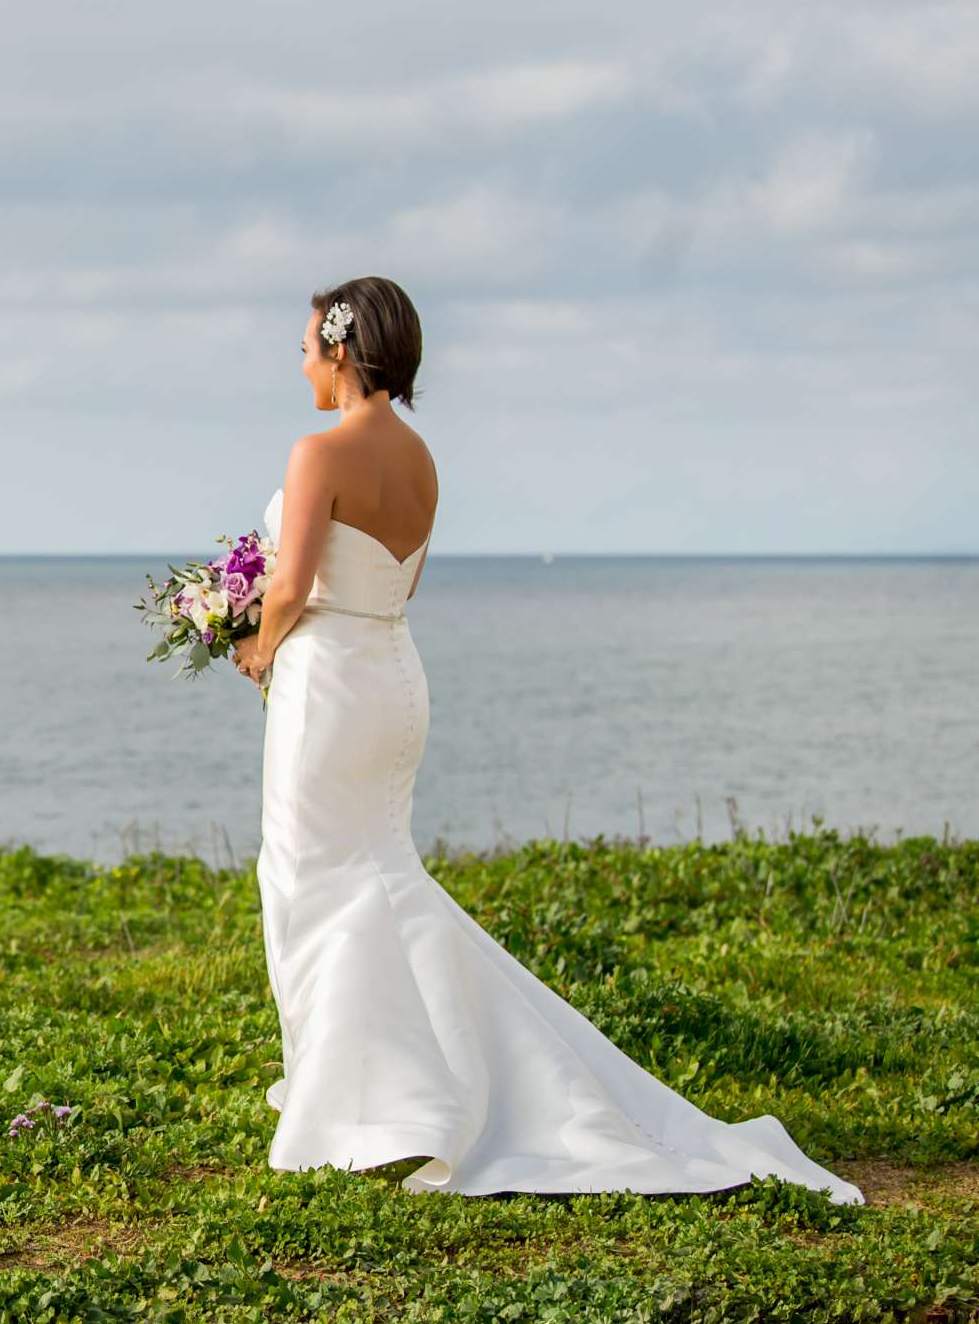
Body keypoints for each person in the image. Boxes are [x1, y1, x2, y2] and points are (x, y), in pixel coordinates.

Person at [227, 277, 859, 1203]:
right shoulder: (423, 461)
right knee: (381, 876)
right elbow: (394, 583)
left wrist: (254, 645)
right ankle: (393, 1094)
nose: (301, 364)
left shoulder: (317, 452)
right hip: (394, 676)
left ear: (341, 348)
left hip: (327, 686)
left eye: (307, 347)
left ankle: (356, 1103)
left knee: (307, 874)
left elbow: (289, 588)